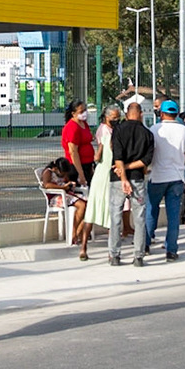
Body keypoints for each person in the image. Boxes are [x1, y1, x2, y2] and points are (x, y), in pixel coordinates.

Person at [107, 101, 155, 266]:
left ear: (126, 114)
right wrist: (129, 170)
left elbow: (117, 155)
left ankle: (114, 255)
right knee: (139, 217)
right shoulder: (147, 134)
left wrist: (123, 177)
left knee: (115, 216)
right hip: (138, 179)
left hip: (117, 178)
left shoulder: (118, 130)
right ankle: (139, 256)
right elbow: (146, 160)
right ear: (141, 114)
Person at [144, 100, 185, 261]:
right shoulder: (184, 131)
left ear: (162, 113)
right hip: (177, 177)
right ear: (176, 114)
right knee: (173, 216)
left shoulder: (154, 129)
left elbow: (150, 153)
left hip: (157, 176)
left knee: (151, 210)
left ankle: (146, 244)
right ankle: (171, 250)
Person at [81, 105, 119, 261]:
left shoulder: (112, 133)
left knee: (108, 213)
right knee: (94, 212)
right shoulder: (104, 131)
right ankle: (85, 248)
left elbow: (100, 156)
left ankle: (110, 251)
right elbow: (98, 156)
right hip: (103, 175)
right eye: (114, 118)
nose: (116, 120)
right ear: (106, 116)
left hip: (107, 175)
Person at [61, 101, 96, 185]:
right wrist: (80, 174)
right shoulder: (72, 127)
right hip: (77, 166)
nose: (84, 113)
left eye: (85, 110)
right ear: (73, 113)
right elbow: (73, 152)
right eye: (81, 111)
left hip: (88, 164)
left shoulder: (83, 123)